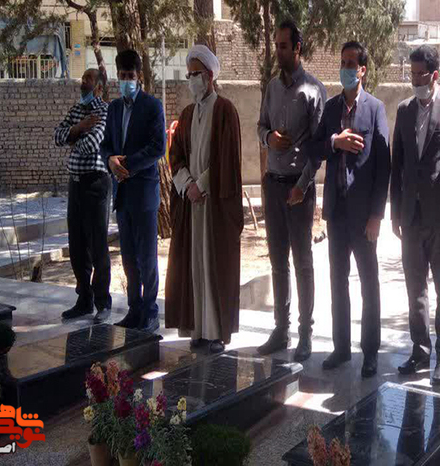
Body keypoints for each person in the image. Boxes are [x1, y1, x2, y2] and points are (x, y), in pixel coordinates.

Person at [312, 41, 390, 377]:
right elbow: (315, 147)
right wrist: (335, 141)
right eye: (342, 62)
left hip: (363, 217)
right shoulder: (331, 109)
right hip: (337, 212)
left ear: (362, 70)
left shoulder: (375, 109)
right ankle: (341, 348)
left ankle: (370, 352)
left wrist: (377, 215)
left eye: (351, 63)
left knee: (369, 283)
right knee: (337, 281)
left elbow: (384, 165)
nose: (345, 68)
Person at [390, 45, 440, 385]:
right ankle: (420, 352)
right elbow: (397, 165)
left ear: (435, 75)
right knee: (415, 289)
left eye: (421, 74)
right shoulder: (404, 111)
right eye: (412, 74)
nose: (415, 80)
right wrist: (395, 212)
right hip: (411, 217)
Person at [256, 20, 326, 362]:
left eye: (284, 46)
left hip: (299, 189)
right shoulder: (271, 88)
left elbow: (318, 149)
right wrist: (269, 138)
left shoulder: (313, 90)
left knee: (302, 263)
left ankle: (305, 334)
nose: (278, 51)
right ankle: (280, 330)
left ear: (297, 48)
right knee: (277, 262)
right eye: (276, 45)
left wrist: (302, 187)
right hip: (273, 185)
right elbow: (260, 126)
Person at [165, 45, 243, 354]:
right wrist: (187, 186)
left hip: (214, 205)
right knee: (193, 267)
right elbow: (175, 156)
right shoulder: (186, 114)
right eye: (188, 75)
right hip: (192, 203)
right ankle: (198, 329)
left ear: (209, 76)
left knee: (213, 267)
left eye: (195, 74)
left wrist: (202, 185)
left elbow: (227, 159)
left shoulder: (225, 110)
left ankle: (215, 334)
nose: (191, 80)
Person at [100, 49, 166, 333]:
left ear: (139, 76)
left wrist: (127, 165)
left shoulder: (152, 106)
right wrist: (109, 160)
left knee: (147, 258)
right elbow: (105, 145)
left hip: (144, 193)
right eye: (122, 75)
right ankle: (134, 308)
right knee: (128, 258)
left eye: (131, 75)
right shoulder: (113, 108)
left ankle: (150, 311)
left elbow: (158, 147)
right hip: (122, 194)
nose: (126, 80)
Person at [55, 68, 112, 323]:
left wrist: (72, 136)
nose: (83, 82)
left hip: (96, 183)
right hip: (76, 184)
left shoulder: (104, 111)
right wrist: (79, 127)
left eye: (88, 79)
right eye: (83, 79)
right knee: (77, 245)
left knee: (97, 245)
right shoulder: (77, 110)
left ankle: (103, 302)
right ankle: (84, 300)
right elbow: (57, 136)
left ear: (98, 87)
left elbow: (90, 145)